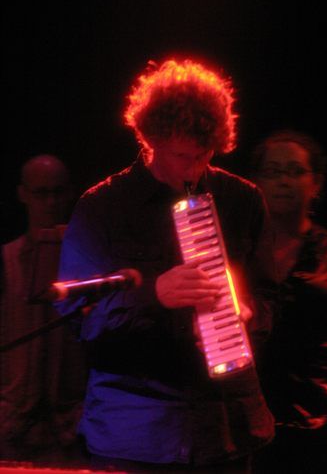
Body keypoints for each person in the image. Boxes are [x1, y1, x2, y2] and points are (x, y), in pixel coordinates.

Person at [55, 59, 276, 473]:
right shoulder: (102, 207)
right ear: (149, 138)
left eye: (204, 155)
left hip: (227, 428)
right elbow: (77, 318)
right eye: (181, 156)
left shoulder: (242, 200)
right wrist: (153, 295)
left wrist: (247, 314)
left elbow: (271, 297)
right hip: (136, 434)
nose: (194, 168)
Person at [248, 130, 327, 473]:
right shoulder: (239, 250)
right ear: (255, 182)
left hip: (318, 420)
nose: (284, 180)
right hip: (244, 420)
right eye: (273, 171)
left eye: (295, 171)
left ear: (316, 183)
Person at [0, 154, 88, 467]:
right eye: (41, 193)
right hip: (12, 429)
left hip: (69, 430)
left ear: (69, 193)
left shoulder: (88, 264)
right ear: (23, 194)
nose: (50, 202)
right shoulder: (6, 261)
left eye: (57, 192)